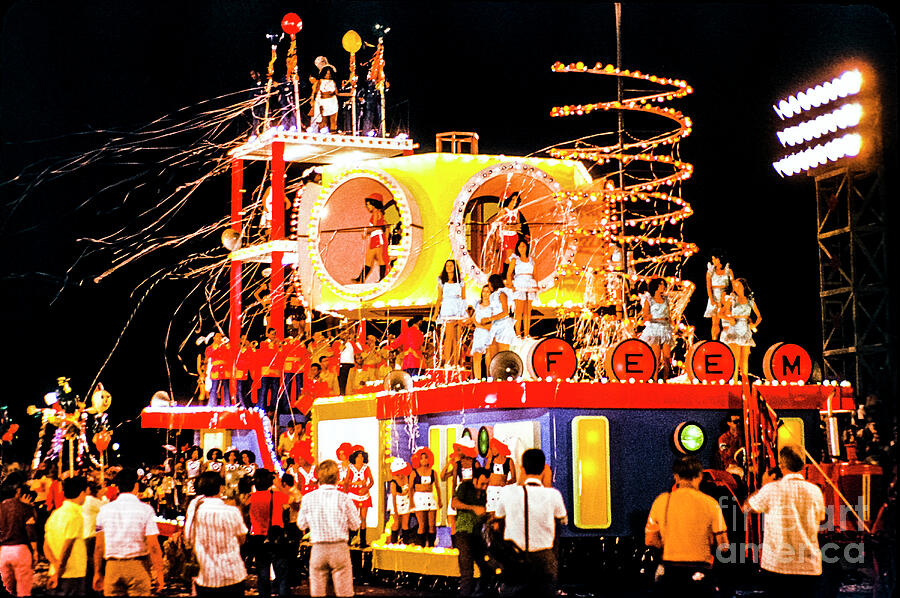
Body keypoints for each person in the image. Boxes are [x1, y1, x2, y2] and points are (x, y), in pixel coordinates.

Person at [745, 445, 826, 598]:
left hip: (778, 567)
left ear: (781, 465)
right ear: (802, 465)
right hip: (809, 567)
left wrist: (763, 485)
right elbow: (820, 519)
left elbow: (747, 508)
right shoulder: (815, 491)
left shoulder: (771, 489)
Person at [644, 455, 729, 597]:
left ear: (676, 477)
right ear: (700, 476)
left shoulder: (662, 501)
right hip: (701, 571)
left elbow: (650, 540)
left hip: (671, 572)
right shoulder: (711, 504)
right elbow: (724, 546)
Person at [493, 448, 567, 598]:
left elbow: (498, 515)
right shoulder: (553, 495)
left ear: (522, 468)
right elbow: (562, 518)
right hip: (544, 558)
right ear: (544, 469)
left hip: (515, 557)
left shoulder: (508, 493)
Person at [93, 468, 165, 596]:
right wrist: (159, 572)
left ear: (117, 487)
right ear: (136, 486)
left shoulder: (104, 510)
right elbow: (153, 545)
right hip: (138, 566)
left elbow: (99, 546)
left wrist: (98, 572)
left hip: (112, 567)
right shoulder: (146, 510)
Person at [296, 460, 361, 598]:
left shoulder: (308, 498)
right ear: (337, 477)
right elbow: (356, 524)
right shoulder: (344, 498)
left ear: (318, 476)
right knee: (344, 592)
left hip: (318, 548)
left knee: (317, 592)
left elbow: (301, 524)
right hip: (339, 548)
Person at [184, 471, 248, 595]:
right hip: (233, 574)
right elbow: (242, 539)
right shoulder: (232, 511)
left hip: (206, 575)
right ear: (220, 488)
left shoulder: (195, 511)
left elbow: (189, 538)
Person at [247, 468, 290, 598]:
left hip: (258, 537)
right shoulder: (277, 496)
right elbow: (294, 499)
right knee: (282, 574)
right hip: (276, 535)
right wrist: (279, 486)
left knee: (263, 574)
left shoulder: (251, 498)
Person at [451, 467, 493, 598]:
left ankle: (479, 592)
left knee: (487, 567)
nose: (484, 487)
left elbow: (481, 513)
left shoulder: (484, 493)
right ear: (474, 480)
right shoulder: (465, 486)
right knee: (467, 571)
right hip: (463, 532)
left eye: (487, 484)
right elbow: (454, 503)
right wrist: (473, 508)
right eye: (482, 484)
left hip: (476, 534)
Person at [44, 475, 88, 595]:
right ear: (82, 493)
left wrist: (55, 564)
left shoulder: (55, 515)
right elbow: (67, 546)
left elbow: (46, 546)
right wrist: (59, 569)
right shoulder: (75, 516)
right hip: (72, 573)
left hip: (55, 571)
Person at [0, 475, 38, 597]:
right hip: (21, 550)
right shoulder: (25, 508)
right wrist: (35, 551)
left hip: (3, 552)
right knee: (24, 590)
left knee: (7, 587)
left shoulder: (0, 507)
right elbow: (31, 532)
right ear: (18, 491)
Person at [720, 278, 762, 382]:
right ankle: (734, 382)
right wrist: (730, 318)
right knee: (735, 358)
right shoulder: (732, 299)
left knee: (745, 360)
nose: (736, 288)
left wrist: (754, 325)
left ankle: (745, 383)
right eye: (735, 286)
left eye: (738, 286)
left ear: (743, 286)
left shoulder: (750, 300)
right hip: (735, 329)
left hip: (746, 330)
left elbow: (759, 316)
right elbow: (721, 313)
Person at [442, 437, 478, 537]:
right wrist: (449, 463)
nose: (457, 452)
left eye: (459, 449)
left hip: (469, 495)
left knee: (467, 522)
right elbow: (443, 477)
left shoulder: (475, 464)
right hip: (458, 494)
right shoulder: (457, 465)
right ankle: (455, 545)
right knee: (452, 520)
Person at [639, 278, 674, 379]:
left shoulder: (666, 300)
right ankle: (654, 379)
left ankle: (665, 379)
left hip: (665, 328)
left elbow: (668, 314)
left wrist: (672, 323)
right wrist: (648, 317)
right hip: (654, 328)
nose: (663, 286)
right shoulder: (649, 300)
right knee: (656, 356)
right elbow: (645, 316)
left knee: (667, 356)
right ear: (656, 286)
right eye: (661, 284)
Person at [436, 259, 467, 367]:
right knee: (448, 336)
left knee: (457, 336)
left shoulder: (461, 281)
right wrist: (436, 312)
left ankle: (456, 361)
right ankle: (447, 361)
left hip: (458, 307)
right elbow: (439, 298)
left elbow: (463, 297)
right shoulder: (442, 281)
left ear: (455, 267)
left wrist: (465, 311)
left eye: (451, 265)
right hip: (447, 308)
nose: (449, 267)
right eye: (447, 265)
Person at [354, 195, 390, 283]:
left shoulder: (375, 213)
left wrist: (366, 231)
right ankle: (361, 278)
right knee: (370, 259)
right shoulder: (379, 213)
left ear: (374, 204)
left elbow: (375, 227)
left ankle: (381, 278)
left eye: (368, 204)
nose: (367, 207)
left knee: (378, 258)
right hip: (376, 237)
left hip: (377, 237)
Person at [342, 447, 374, 548]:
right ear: (354, 458)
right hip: (353, 494)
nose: (360, 459)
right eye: (358, 457)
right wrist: (345, 493)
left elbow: (372, 481)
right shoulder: (350, 468)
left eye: (361, 457)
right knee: (353, 517)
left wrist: (366, 488)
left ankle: (362, 541)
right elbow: (346, 481)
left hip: (364, 494)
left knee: (363, 517)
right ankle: (351, 538)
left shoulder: (366, 468)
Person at [409, 446, 441, 547]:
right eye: (421, 458)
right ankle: (421, 546)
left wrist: (439, 500)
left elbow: (437, 486)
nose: (424, 460)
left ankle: (431, 546)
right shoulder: (414, 473)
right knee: (422, 525)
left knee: (432, 525)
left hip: (430, 498)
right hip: (418, 499)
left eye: (426, 457)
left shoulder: (433, 472)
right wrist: (411, 502)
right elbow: (410, 488)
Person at [506, 239, 538, 338]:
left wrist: (536, 285)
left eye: (523, 246)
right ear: (517, 248)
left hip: (529, 284)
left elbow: (535, 274)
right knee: (518, 311)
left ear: (527, 247)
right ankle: (518, 333)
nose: (522, 248)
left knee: (527, 311)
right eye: (520, 246)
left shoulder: (532, 260)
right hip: (519, 283)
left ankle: (527, 333)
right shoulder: (515, 260)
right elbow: (508, 273)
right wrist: (510, 285)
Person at [485, 273, 516, 368]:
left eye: (489, 284)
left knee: (502, 354)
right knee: (492, 354)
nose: (489, 286)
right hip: (495, 325)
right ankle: (493, 376)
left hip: (504, 326)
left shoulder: (501, 294)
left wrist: (490, 318)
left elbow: (505, 312)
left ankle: (504, 377)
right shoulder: (492, 296)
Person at [703, 251, 734, 340]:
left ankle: (728, 340)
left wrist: (730, 297)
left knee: (727, 321)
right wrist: (712, 300)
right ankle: (714, 340)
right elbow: (708, 287)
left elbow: (734, 284)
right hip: (715, 297)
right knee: (715, 322)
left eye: (714, 258)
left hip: (726, 297)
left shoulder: (728, 270)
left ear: (719, 259)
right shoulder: (710, 271)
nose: (713, 261)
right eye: (712, 259)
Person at [468, 285, 494, 379]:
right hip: (478, 334)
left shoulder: (493, 307)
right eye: (484, 291)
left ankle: (489, 378)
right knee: (476, 357)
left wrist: (481, 326)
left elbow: (493, 323)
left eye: (488, 292)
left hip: (488, 333)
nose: (485, 294)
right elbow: (473, 318)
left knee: (488, 358)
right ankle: (477, 379)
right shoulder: (478, 306)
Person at [486, 438, 516, 513]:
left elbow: (514, 478)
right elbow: (485, 473)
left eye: (493, 448)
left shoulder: (509, 461)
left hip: (502, 490)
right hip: (491, 490)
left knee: (502, 512)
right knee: (491, 512)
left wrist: (507, 483)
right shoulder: (491, 460)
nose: (492, 450)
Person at [386, 459, 411, 545]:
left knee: (405, 524)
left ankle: (406, 543)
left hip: (406, 502)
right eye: (398, 474)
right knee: (396, 523)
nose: (400, 476)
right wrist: (396, 511)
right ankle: (393, 543)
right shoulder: (393, 483)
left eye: (402, 473)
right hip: (395, 502)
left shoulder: (407, 478)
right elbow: (393, 497)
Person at [310, 61, 339, 133]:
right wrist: (314, 101)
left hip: (332, 102)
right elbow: (316, 92)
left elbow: (337, 92)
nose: (328, 75)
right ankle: (323, 132)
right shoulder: (320, 81)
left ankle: (333, 132)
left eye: (329, 74)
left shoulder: (333, 82)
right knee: (323, 119)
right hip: (323, 102)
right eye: (326, 74)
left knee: (333, 119)